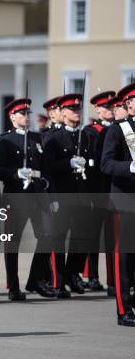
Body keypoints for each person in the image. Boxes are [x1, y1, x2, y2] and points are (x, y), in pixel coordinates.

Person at [0, 98, 56, 300]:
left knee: (48, 235)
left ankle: (35, 279)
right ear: (12, 117)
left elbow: (46, 168)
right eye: (22, 113)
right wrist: (15, 173)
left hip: (38, 194)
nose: (27, 117)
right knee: (13, 242)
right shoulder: (5, 140)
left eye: (28, 113)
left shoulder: (37, 139)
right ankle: (13, 286)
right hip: (16, 195)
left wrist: (52, 195)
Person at [43, 93, 94, 298]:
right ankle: (58, 281)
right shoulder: (53, 138)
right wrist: (68, 164)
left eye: (78, 109)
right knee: (59, 238)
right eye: (72, 110)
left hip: (82, 194)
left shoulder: (86, 136)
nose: (76, 113)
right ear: (62, 113)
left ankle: (73, 274)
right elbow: (48, 167)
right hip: (63, 194)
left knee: (82, 238)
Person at [100, 81, 135, 326]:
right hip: (126, 200)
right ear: (129, 105)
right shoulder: (118, 130)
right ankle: (124, 310)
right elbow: (106, 164)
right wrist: (131, 167)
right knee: (125, 258)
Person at [80, 91, 116, 292]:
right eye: (105, 107)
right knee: (93, 236)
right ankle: (92, 275)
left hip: (115, 189)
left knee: (113, 238)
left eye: (112, 106)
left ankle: (113, 279)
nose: (109, 110)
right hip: (97, 189)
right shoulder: (91, 131)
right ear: (98, 110)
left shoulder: (122, 128)